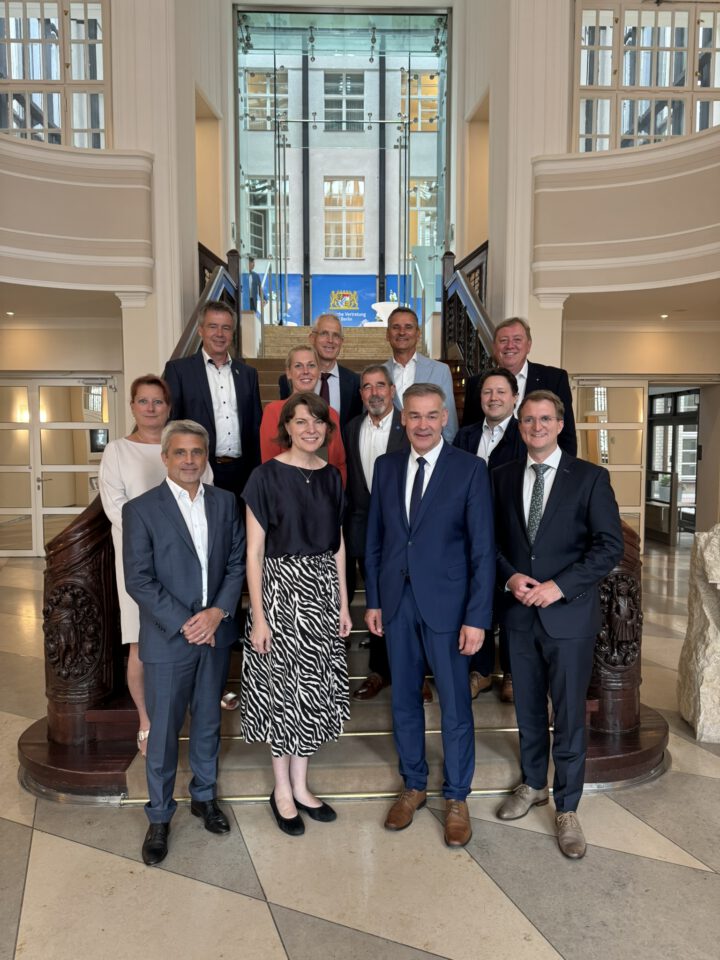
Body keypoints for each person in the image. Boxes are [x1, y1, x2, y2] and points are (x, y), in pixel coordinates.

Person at [492, 390, 623, 859]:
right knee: (527, 709)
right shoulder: (500, 476)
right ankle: (533, 784)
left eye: (545, 419)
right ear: (520, 426)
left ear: (560, 424)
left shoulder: (590, 478)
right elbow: (489, 541)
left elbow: (609, 547)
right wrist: (510, 576)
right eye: (528, 420)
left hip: (568, 617)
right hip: (518, 615)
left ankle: (567, 807)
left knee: (567, 716)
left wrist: (559, 587)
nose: (537, 426)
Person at [364, 383, 495, 847]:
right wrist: (374, 600)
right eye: (414, 415)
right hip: (397, 605)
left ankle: (457, 796)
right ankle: (414, 785)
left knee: (455, 705)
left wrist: (477, 617)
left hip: (449, 608)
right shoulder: (386, 467)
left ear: (445, 419)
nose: (422, 424)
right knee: (403, 701)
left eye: (431, 415)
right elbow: (375, 539)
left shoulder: (470, 469)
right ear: (403, 419)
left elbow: (482, 550)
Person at [123, 420, 246, 866]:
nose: (189, 460)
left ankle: (204, 797)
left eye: (197, 452)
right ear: (165, 457)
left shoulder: (226, 503)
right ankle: (159, 817)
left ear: (205, 456)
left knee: (208, 722)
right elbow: (139, 579)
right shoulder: (141, 510)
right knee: (163, 733)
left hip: (214, 633)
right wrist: (186, 622)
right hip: (168, 639)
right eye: (180, 452)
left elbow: (236, 563)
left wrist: (217, 613)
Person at [241, 392, 352, 837]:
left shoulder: (331, 477)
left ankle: (302, 786)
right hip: (281, 592)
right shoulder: (264, 477)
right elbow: (254, 552)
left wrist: (343, 603)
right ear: (286, 426)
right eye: (301, 421)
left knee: (312, 692)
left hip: (322, 592)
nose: (310, 429)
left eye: (318, 422)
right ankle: (282, 790)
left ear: (327, 429)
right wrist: (259, 616)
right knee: (282, 691)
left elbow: (338, 543)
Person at [98, 375, 215, 755]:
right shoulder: (117, 451)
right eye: (143, 401)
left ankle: (193, 713)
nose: (151, 408)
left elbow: (207, 495)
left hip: (191, 559)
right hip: (141, 561)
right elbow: (115, 506)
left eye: (158, 401)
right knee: (140, 640)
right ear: (132, 406)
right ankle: (147, 720)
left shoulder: (185, 445)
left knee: (194, 632)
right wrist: (159, 536)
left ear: (169, 407)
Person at [453, 368, 526, 702]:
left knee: (510, 605)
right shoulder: (465, 436)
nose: (493, 398)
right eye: (487, 392)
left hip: (511, 533)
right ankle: (480, 672)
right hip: (469, 533)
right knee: (475, 600)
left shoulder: (524, 434)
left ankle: (511, 672)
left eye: (501, 392)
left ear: (514, 397)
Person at [345, 365, 409, 701]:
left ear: (392, 390)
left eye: (380, 385)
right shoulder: (351, 427)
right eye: (367, 387)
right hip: (360, 527)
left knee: (401, 599)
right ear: (361, 394)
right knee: (372, 599)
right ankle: (377, 672)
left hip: (402, 530)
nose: (374, 393)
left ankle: (411, 671)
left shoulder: (409, 425)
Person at [163, 300, 262, 505]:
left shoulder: (248, 374)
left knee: (240, 524)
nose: (219, 334)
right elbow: (173, 424)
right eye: (213, 326)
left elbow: (255, 426)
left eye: (226, 328)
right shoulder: (179, 371)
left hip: (242, 472)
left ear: (232, 333)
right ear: (200, 330)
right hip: (199, 469)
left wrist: (257, 472)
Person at [461, 317, 577, 457]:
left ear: (529, 345)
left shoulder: (554, 379)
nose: (510, 346)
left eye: (517, 340)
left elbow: (567, 435)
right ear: (494, 347)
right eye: (503, 340)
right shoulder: (476, 383)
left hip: (537, 464)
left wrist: (564, 469)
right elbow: (468, 431)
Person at [262, 346, 347, 485]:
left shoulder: (331, 413)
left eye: (311, 365)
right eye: (298, 366)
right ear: (288, 373)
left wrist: (334, 494)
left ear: (319, 372)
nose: (306, 371)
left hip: (326, 493)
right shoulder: (273, 411)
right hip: (287, 493)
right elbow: (269, 466)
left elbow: (339, 463)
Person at [383, 306, 459, 442]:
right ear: (388, 334)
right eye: (395, 327)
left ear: (418, 334)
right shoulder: (378, 374)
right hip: (388, 451)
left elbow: (449, 423)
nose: (402, 332)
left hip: (430, 451)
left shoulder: (440, 370)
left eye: (408, 327)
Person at [278, 313, 363, 431]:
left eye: (336, 335)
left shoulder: (355, 382)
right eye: (324, 333)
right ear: (312, 338)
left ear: (341, 341)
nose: (330, 340)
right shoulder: (290, 380)